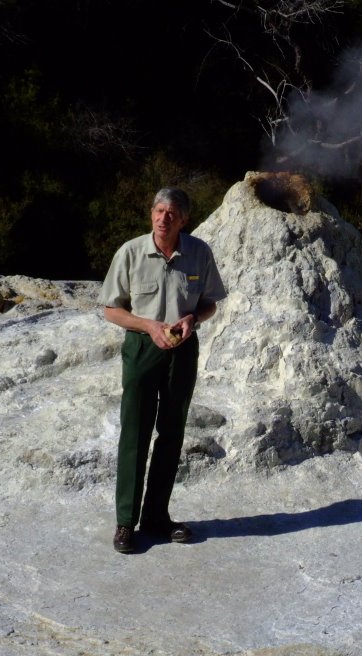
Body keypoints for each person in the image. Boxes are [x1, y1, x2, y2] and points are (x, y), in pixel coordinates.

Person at [100, 187, 226, 554]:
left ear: (184, 219)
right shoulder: (131, 252)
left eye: (171, 213)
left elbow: (210, 304)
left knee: (171, 433)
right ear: (151, 213)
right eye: (158, 210)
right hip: (142, 347)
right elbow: (111, 309)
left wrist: (192, 318)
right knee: (135, 432)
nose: (162, 218)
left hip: (182, 349)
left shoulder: (199, 253)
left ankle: (156, 517)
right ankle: (126, 522)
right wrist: (148, 326)